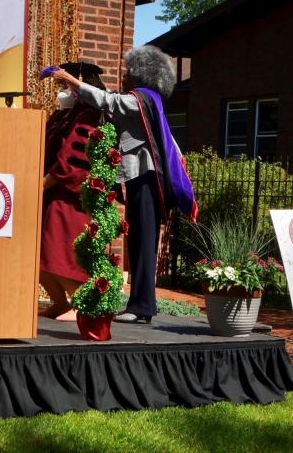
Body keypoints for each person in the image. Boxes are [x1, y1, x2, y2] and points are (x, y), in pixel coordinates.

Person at [50, 46, 197, 324]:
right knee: (140, 241)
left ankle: (142, 307)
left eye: (129, 72)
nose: (125, 76)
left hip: (147, 179)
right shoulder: (147, 100)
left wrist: (73, 81)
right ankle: (140, 306)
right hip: (141, 178)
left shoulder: (143, 98)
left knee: (143, 242)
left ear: (143, 75)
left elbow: (111, 103)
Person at [39, 62, 107, 321]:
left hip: (68, 197)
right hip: (48, 191)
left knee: (57, 253)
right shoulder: (65, 115)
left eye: (65, 85)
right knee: (38, 254)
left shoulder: (90, 116)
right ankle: (59, 303)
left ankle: (84, 305)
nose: (62, 92)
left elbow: (71, 161)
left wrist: (40, 185)